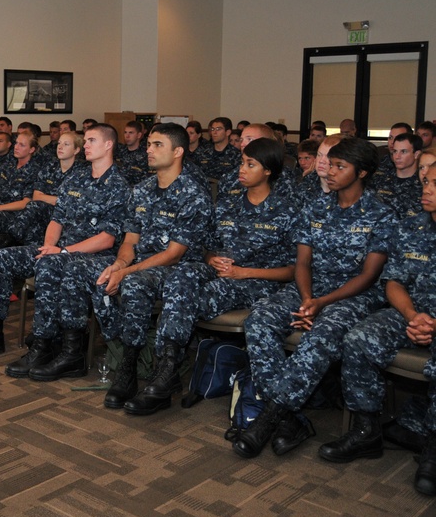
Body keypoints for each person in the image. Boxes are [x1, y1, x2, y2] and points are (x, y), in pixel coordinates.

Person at [234, 137, 394, 459]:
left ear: (362, 173)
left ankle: (270, 417)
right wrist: (308, 297)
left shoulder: (380, 213)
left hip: (355, 294)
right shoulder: (316, 206)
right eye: (329, 164)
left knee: (322, 334)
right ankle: (290, 419)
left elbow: (368, 275)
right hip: (310, 286)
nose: (329, 171)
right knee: (260, 320)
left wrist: (321, 303)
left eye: (339, 166)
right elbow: (302, 262)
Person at [123, 139, 297, 415]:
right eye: (241, 162)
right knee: (183, 277)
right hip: (221, 274)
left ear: (268, 171)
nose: (242, 169)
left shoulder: (287, 210)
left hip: (259, 282)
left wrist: (244, 272)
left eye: (250, 165)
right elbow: (207, 246)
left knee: (182, 301)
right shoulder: (228, 204)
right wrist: (210, 258)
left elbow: (294, 270)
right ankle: (166, 372)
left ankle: (164, 374)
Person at [0, 124, 127, 373]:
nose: (86, 145)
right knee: (3, 257)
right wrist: (50, 245)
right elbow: (56, 219)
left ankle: (44, 344)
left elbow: (106, 239)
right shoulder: (77, 177)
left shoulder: (119, 185)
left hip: (95, 256)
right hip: (59, 250)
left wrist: (62, 252)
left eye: (92, 140)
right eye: (86, 141)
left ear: (108, 145)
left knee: (48, 263)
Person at [320, 165, 436, 496]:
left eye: (434, 184)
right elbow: (394, 282)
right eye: (425, 181)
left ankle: (433, 445)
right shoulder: (413, 226)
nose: (425, 188)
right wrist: (413, 316)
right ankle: (366, 429)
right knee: (358, 338)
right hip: (410, 312)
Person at [92, 123, 214, 408]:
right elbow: (130, 240)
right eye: (148, 144)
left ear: (178, 151)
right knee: (105, 276)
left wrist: (128, 271)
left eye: (157, 144)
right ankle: (129, 366)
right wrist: (119, 264)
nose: (149, 149)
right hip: (145, 267)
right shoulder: (142, 190)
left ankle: (155, 372)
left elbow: (174, 254)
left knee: (134, 281)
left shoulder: (193, 194)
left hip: (185, 267)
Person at [373, 132, 423, 219]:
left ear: (416, 154)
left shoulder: (423, 184)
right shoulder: (380, 180)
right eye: (395, 151)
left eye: (403, 151)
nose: (397, 156)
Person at [115, 120, 149, 186]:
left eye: (131, 133)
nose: (127, 136)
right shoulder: (119, 152)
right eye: (125, 132)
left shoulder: (146, 154)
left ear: (139, 135)